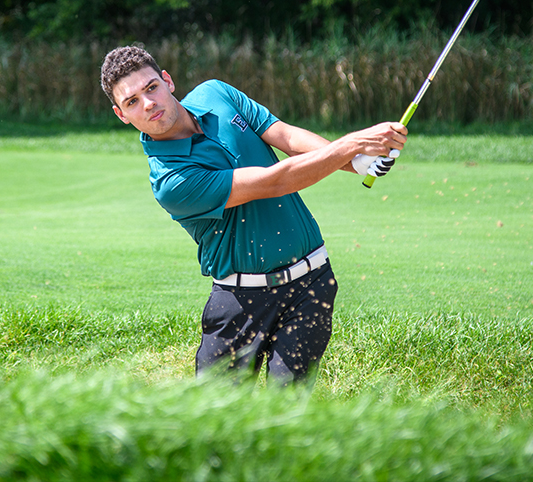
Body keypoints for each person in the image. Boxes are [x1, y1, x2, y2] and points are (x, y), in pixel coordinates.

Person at [100, 46, 407, 384]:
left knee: (288, 409)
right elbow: (274, 181)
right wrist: (351, 146)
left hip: (311, 282)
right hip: (239, 303)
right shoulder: (171, 180)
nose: (148, 104)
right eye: (132, 102)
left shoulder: (215, 92)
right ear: (122, 115)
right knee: (221, 422)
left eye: (151, 88)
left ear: (167, 81)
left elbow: (287, 136)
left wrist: (356, 163)